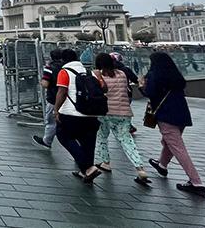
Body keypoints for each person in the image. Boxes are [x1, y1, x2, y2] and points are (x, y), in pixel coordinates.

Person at [140, 52, 205, 197]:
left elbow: (150, 93)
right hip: (181, 114)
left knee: (177, 147)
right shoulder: (176, 76)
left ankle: (196, 182)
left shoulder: (154, 75)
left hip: (166, 115)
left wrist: (141, 86)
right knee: (169, 142)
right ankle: (162, 165)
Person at [92, 53, 149, 183]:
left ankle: (105, 162)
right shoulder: (122, 74)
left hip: (105, 112)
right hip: (124, 112)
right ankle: (140, 168)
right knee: (126, 140)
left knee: (102, 137)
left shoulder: (98, 75)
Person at [54, 49, 103, 183]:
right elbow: (103, 89)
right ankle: (86, 172)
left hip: (71, 113)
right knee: (88, 143)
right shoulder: (90, 72)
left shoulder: (64, 72)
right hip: (91, 114)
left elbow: (62, 92)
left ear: (63, 60)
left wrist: (56, 109)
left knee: (63, 136)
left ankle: (88, 168)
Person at [33, 49, 64, 149]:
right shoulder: (65, 67)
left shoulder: (50, 67)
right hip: (67, 98)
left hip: (53, 98)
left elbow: (45, 83)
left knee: (51, 121)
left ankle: (47, 141)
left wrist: (41, 82)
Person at [110, 52, 139, 134]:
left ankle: (124, 127)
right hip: (126, 93)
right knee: (124, 111)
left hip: (112, 94)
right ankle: (127, 126)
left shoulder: (106, 70)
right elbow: (135, 79)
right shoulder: (125, 69)